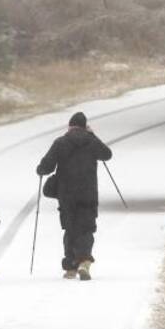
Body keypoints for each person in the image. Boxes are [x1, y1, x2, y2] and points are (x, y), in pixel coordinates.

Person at [36, 112, 112, 281]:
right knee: (85, 228)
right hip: (88, 193)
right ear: (85, 127)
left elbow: (46, 166)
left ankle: (71, 266)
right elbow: (107, 154)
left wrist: (40, 170)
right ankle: (84, 262)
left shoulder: (60, 143)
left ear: (69, 126)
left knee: (70, 228)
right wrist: (93, 135)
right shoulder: (92, 141)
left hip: (66, 195)